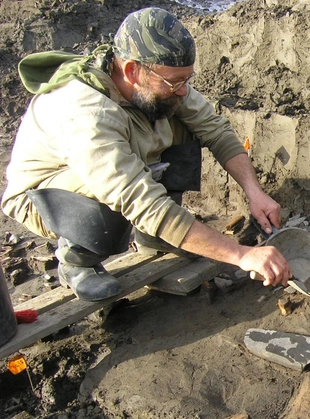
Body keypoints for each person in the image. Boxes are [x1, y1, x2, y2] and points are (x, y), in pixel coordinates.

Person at [1, 7, 291, 301]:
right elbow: (141, 202)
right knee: (112, 190)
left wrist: (254, 192)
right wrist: (241, 255)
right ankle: (76, 260)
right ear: (131, 71)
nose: (182, 91)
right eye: (174, 83)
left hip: (119, 174)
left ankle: (155, 240)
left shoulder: (161, 81)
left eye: (185, 81)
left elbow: (217, 131)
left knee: (183, 121)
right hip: (43, 197)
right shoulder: (85, 113)